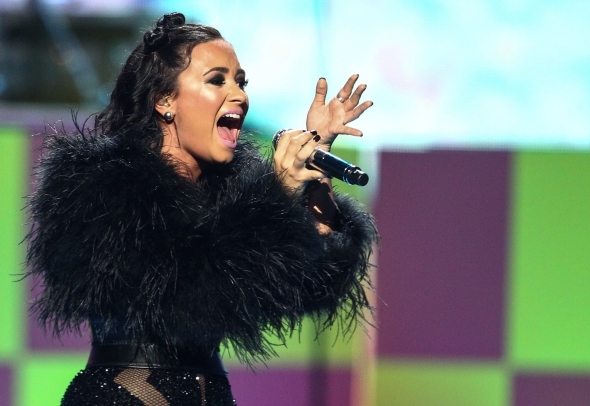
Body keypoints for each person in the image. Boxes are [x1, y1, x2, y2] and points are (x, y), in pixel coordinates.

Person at [25, 12, 378, 405]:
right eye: (217, 80)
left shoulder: (235, 195)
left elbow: (315, 286)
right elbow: (187, 293)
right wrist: (276, 196)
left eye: (241, 82)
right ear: (164, 100)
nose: (240, 95)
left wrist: (317, 165)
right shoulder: (101, 187)